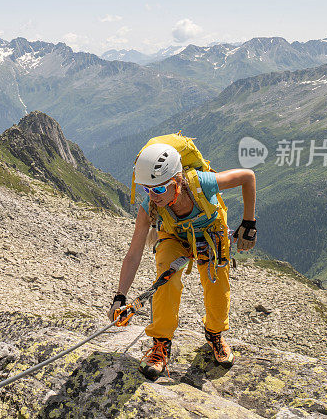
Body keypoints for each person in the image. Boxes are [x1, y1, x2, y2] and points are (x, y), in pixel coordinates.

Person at [108, 142, 257, 380]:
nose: (151, 197)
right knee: (165, 282)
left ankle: (215, 334)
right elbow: (133, 254)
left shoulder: (202, 183)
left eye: (157, 190)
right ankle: (160, 344)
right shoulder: (149, 208)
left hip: (211, 232)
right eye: (147, 190)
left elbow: (248, 177)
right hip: (174, 236)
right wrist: (119, 298)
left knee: (217, 284)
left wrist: (249, 222)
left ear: (177, 181)